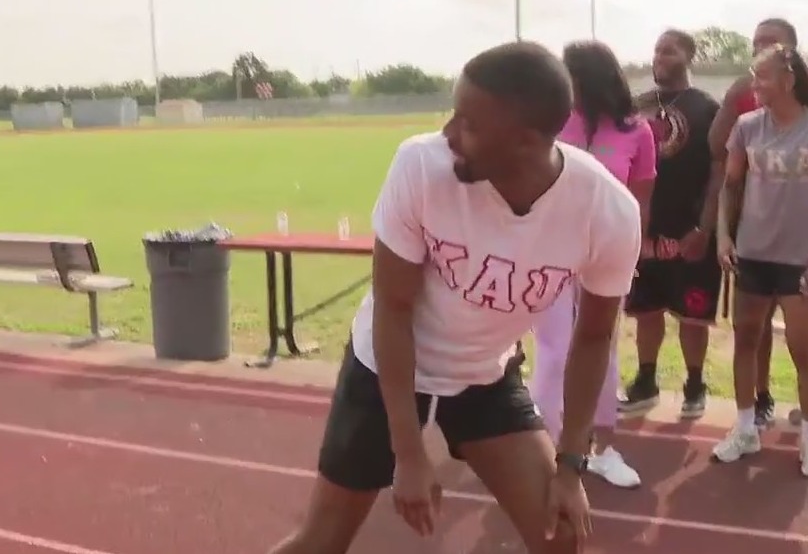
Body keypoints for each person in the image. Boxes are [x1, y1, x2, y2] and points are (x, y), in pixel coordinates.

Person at [267, 41, 641, 554]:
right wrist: (409, 452)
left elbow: (595, 336)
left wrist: (571, 464)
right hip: (387, 370)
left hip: (483, 378)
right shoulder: (421, 166)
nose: (447, 134)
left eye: (468, 122)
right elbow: (394, 310)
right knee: (321, 542)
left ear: (525, 142)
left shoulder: (607, 212)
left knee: (561, 534)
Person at [708, 17, 808, 437]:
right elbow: (721, 157)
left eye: (767, 46)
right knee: (752, 327)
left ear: (791, 57)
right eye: (755, 45)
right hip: (756, 234)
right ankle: (757, 404)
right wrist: (724, 232)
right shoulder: (747, 108)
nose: (757, 54)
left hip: (807, 230)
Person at [530, 40, 654, 489]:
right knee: (555, 350)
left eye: (569, 74)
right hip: (548, 255)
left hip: (605, 257)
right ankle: (545, 446)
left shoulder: (637, 131)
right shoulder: (553, 121)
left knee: (602, 350)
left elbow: (640, 203)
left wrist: (630, 257)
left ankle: (602, 449)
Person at [619, 29, 722, 420]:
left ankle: (694, 384)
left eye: (669, 50)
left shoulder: (707, 109)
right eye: (656, 49)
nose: (659, 57)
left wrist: (704, 228)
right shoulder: (635, 107)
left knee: (692, 314)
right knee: (646, 309)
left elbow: (718, 174)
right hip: (643, 228)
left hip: (690, 230)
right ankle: (645, 381)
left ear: (688, 56)